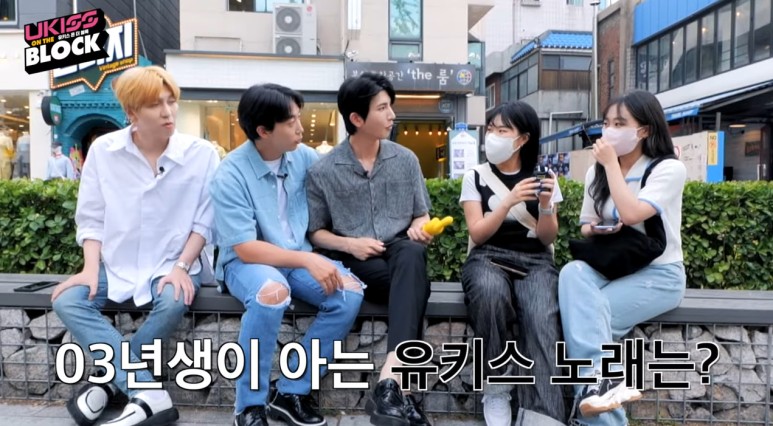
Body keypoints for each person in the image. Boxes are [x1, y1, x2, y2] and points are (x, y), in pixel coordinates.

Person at [51, 65, 219, 426]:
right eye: (155, 105)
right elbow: (91, 217)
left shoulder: (202, 153)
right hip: (116, 263)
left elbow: (205, 222)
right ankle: (147, 391)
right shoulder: (103, 150)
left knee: (174, 299)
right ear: (131, 113)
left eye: (171, 101)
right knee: (67, 299)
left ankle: (108, 383)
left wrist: (182, 266)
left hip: (174, 261)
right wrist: (90, 269)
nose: (168, 112)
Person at [209, 83, 364, 426]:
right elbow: (245, 247)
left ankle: (291, 390)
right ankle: (249, 406)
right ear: (263, 131)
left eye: (299, 117)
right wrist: (309, 259)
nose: (300, 127)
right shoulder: (230, 174)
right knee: (271, 293)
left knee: (349, 293)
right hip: (247, 262)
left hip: (294, 256)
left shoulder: (303, 157)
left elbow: (343, 182)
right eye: (291, 121)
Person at [306, 73, 433, 426]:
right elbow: (315, 233)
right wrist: (350, 243)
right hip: (355, 261)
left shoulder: (406, 159)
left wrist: (420, 227)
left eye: (391, 106)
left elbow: (421, 213)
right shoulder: (323, 170)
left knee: (412, 254)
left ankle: (391, 378)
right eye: (383, 108)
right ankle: (405, 397)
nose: (392, 115)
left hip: (400, 251)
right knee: (414, 284)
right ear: (357, 118)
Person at [558, 90, 687, 425]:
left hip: (659, 275)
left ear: (644, 130)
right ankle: (603, 390)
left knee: (584, 320)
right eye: (606, 123)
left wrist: (611, 165)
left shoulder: (667, 168)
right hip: (614, 265)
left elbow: (632, 213)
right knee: (572, 272)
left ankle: (596, 400)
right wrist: (598, 229)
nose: (609, 130)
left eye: (619, 124)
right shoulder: (596, 172)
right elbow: (586, 224)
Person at [459, 101, 567, 426]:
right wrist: (507, 201)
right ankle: (495, 390)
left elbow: (547, 237)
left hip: (536, 261)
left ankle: (542, 415)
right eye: (491, 129)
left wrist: (545, 206)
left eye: (503, 130)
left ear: (522, 139)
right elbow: (478, 233)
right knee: (489, 294)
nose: (493, 135)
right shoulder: (475, 176)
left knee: (540, 315)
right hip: (487, 257)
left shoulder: (544, 178)